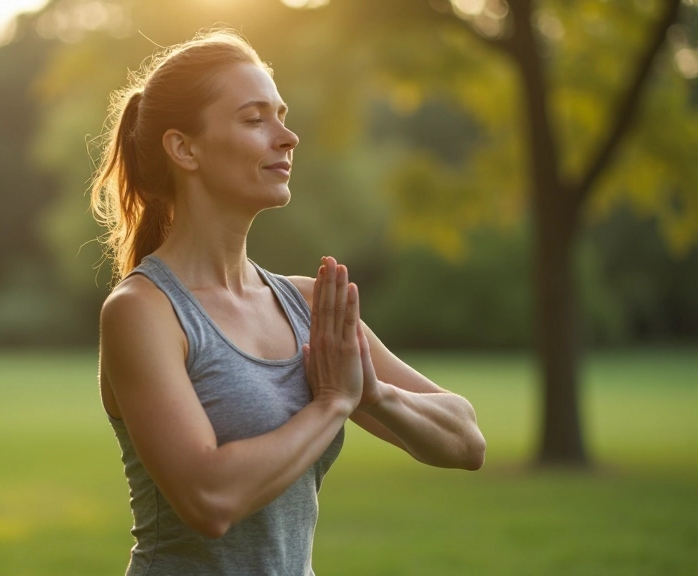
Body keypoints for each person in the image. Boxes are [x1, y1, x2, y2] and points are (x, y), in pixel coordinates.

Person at [93, 29, 486, 575]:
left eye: (281, 115)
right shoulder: (144, 310)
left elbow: (467, 441)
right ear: (185, 148)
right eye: (255, 120)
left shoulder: (305, 304)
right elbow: (209, 499)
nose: (289, 137)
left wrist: (374, 395)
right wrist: (331, 405)